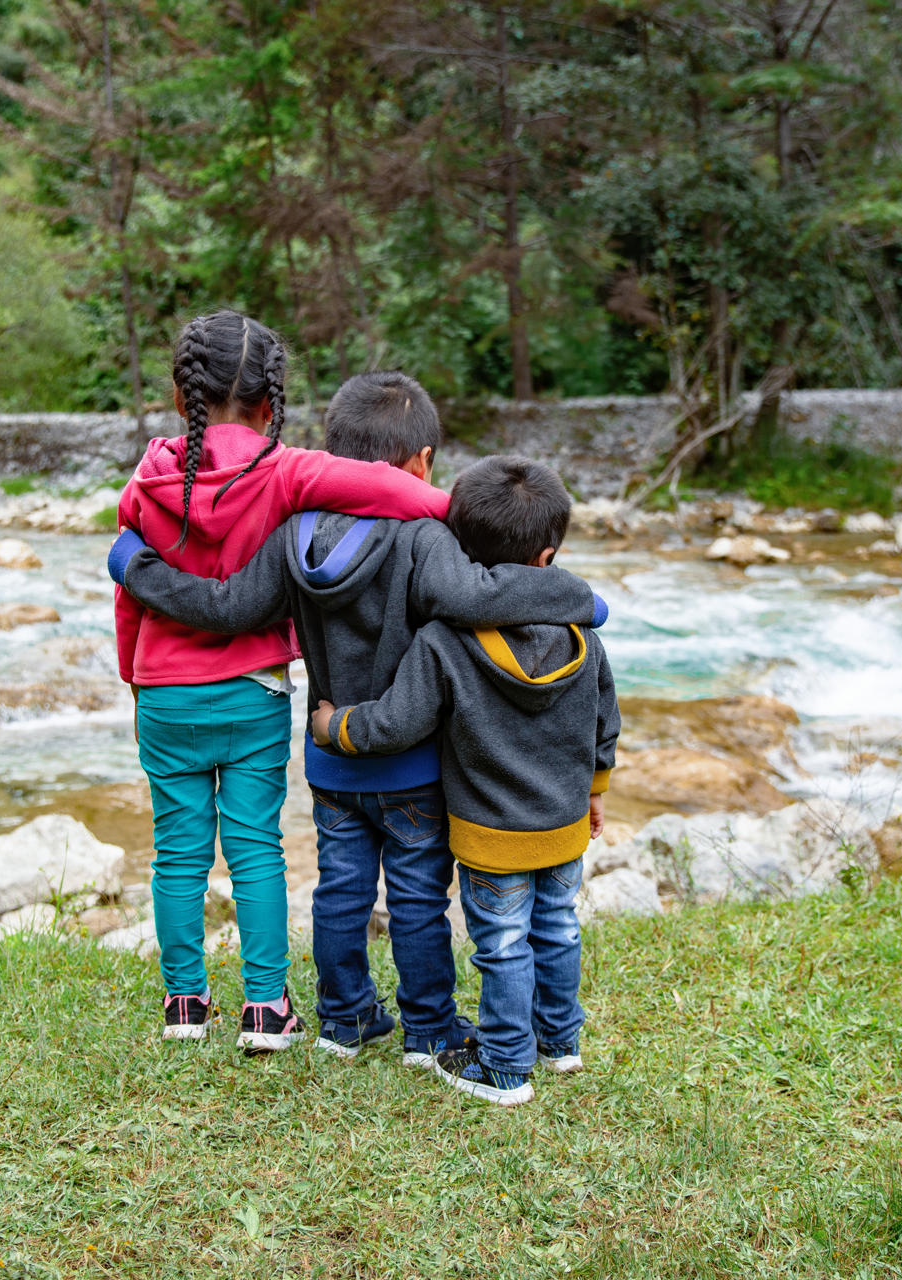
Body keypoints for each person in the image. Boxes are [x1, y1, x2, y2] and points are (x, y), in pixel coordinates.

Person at [109, 372, 606, 1066]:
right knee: (415, 898)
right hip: (413, 764)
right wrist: (573, 598)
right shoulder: (424, 539)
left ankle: (343, 1020)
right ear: (423, 463)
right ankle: (428, 1030)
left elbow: (228, 609)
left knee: (340, 890)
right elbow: (478, 597)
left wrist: (137, 567)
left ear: (334, 453)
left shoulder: (293, 535)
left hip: (329, 754)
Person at [110, 312, 452, 1055]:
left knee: (176, 849)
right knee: (256, 845)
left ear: (180, 396)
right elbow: (409, 496)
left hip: (162, 689)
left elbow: (128, 595)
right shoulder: (286, 470)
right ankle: (266, 1009)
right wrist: (489, 518)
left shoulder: (146, 481)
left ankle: (184, 1004)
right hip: (253, 690)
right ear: (271, 403)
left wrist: (134, 677)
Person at [308, 456, 619, 1106]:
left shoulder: (447, 641)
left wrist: (335, 726)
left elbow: (395, 723)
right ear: (549, 554)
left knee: (503, 945)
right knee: (558, 926)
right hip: (563, 824)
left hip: (489, 835)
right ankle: (560, 1043)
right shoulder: (585, 636)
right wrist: (594, 792)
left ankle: (506, 1067)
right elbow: (604, 724)